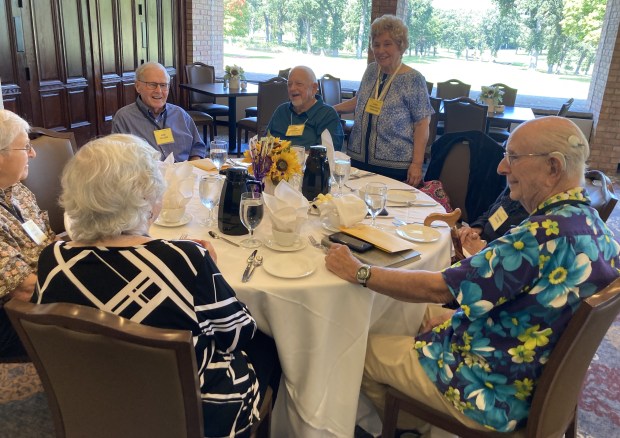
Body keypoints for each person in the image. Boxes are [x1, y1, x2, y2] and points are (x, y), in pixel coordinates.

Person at [325, 116, 620, 435]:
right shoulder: (595, 227)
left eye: (513, 157)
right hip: (525, 364)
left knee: (361, 352)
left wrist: (360, 272)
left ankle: (412, 427)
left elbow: (440, 289)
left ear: (553, 167)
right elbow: (538, 294)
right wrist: (462, 312)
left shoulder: (538, 237)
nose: (501, 168)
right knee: (408, 312)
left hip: (492, 390)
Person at [34, 134, 280, 437]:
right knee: (271, 345)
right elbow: (237, 335)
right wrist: (211, 271)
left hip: (97, 402)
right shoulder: (185, 259)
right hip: (194, 415)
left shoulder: (54, 259)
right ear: (148, 199)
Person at [334, 15, 433, 186]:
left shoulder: (413, 79)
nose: (380, 50)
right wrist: (331, 109)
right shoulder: (371, 70)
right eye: (376, 44)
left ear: (400, 46)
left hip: (393, 166)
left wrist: (417, 164)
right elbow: (360, 100)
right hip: (357, 161)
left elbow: (422, 124)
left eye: (387, 44)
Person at [0, 110, 56, 359]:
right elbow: (24, 292)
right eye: (25, 148)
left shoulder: (17, 190)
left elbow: (47, 242)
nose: (33, 153)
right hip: (14, 320)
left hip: (47, 286)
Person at [112, 61, 206, 162]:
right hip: (148, 176)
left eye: (163, 85)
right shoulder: (124, 118)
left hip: (184, 175)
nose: (159, 91)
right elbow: (119, 160)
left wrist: (192, 169)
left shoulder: (180, 114)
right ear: (138, 86)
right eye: (152, 85)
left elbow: (197, 147)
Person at [267, 65, 344, 151]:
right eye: (289, 84)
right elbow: (265, 144)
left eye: (299, 84)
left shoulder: (327, 115)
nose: (292, 88)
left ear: (314, 88)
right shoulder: (282, 111)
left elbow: (328, 154)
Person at [457, 186, 528, 255]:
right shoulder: (513, 186)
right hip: (479, 239)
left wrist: (484, 251)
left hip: (492, 256)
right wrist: (476, 229)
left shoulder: (535, 219)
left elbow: (519, 261)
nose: (500, 173)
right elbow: (489, 212)